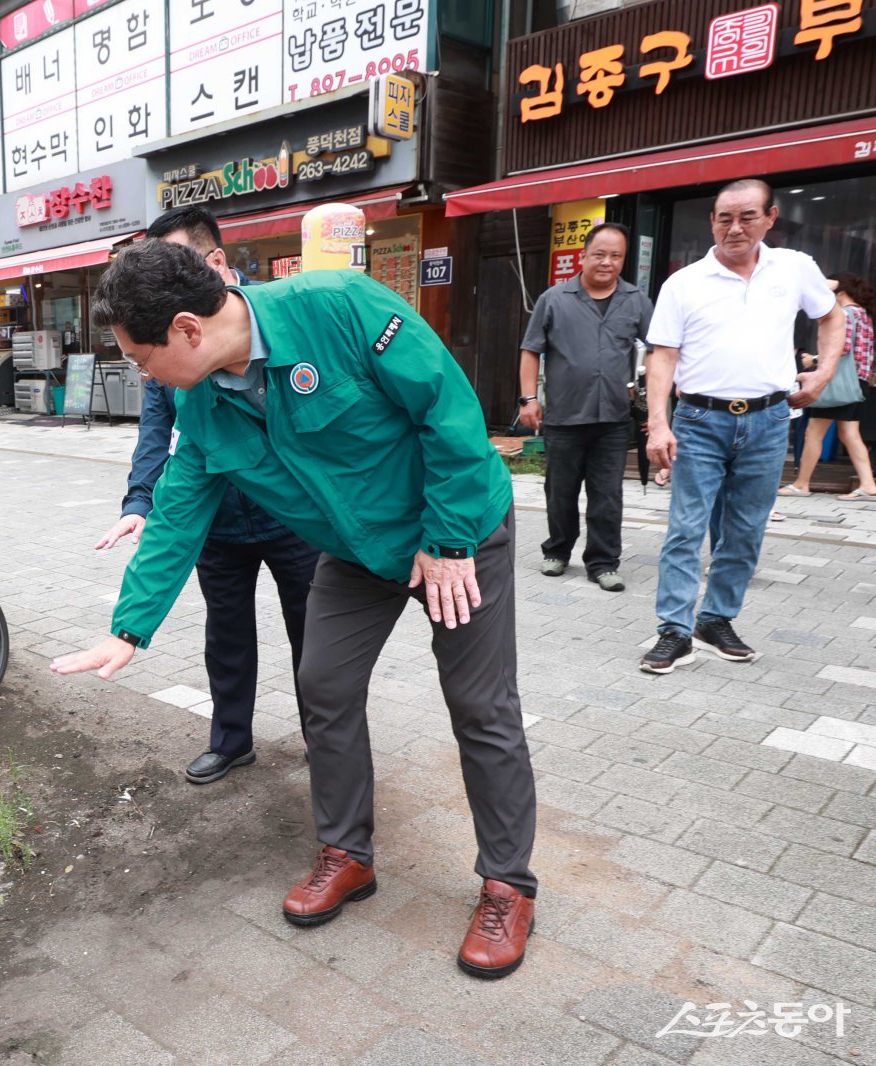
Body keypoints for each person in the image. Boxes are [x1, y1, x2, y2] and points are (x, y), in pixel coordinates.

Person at [53, 240, 539, 980]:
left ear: (186, 329)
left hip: (456, 534)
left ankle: (508, 884)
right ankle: (347, 852)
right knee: (325, 684)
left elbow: (448, 412)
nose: (143, 375)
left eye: (142, 358)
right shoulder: (205, 398)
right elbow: (182, 505)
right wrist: (130, 628)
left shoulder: (342, 307)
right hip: (356, 552)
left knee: (480, 704)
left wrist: (445, 540)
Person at [95, 204, 320, 784]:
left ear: (214, 261)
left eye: (176, 263)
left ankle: (328, 739)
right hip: (211, 516)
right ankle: (231, 740)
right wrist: (139, 503)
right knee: (226, 633)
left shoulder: (283, 319)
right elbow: (159, 435)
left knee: (315, 634)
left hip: (292, 516)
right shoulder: (167, 358)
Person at [640, 178, 845, 674]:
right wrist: (657, 425)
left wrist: (823, 374)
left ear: (770, 218)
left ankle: (716, 619)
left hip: (770, 419)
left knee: (746, 530)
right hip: (699, 419)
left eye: (747, 216)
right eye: (724, 218)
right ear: (712, 221)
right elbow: (663, 356)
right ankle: (674, 630)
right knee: (686, 530)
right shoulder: (684, 282)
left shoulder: (794, 268)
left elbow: (832, 316)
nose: (734, 227)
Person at [518, 223, 653, 591]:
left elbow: (657, 354)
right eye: (599, 254)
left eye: (616, 256)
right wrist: (529, 400)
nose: (607, 262)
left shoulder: (636, 300)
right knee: (559, 491)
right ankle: (558, 551)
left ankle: (603, 562)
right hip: (563, 416)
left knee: (607, 495)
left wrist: (655, 411)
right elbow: (531, 350)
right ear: (583, 256)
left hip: (613, 418)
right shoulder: (554, 299)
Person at [779, 273, 876, 501]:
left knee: (813, 432)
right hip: (857, 383)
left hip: (837, 383)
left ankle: (802, 484)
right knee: (849, 433)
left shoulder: (844, 314)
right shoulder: (864, 315)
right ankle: (868, 484)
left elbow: (840, 348)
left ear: (839, 291)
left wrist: (813, 360)